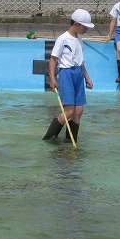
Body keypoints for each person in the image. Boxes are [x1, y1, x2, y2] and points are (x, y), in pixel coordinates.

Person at [43, 9, 94, 143]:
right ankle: (49, 138)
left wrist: (87, 77)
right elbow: (53, 59)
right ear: (76, 24)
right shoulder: (63, 39)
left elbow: (81, 62)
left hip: (78, 73)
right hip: (66, 73)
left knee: (79, 110)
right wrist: (53, 79)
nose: (86, 30)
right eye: (85, 27)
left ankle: (70, 141)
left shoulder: (79, 39)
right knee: (69, 111)